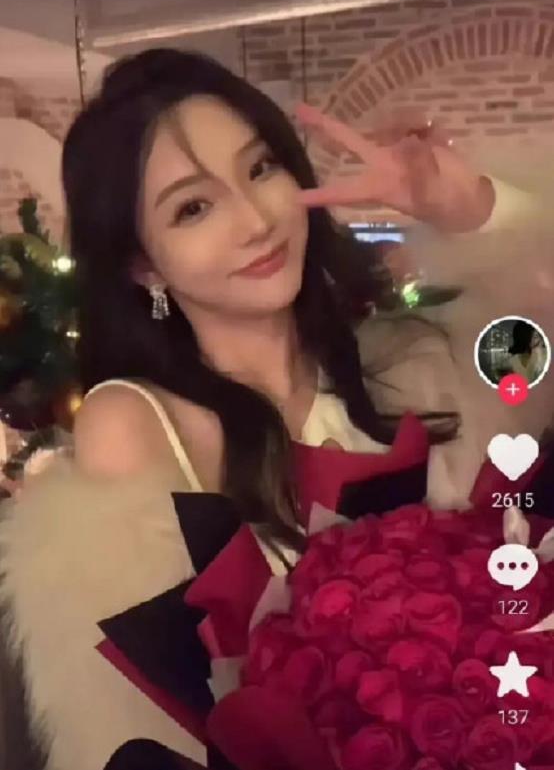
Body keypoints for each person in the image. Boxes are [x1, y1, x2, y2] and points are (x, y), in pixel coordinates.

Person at [0, 48, 549, 770]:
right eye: (194, 207)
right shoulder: (136, 423)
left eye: (261, 169)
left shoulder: (412, 364)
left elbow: (530, 354)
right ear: (143, 262)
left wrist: (473, 208)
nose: (256, 219)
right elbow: (140, 726)